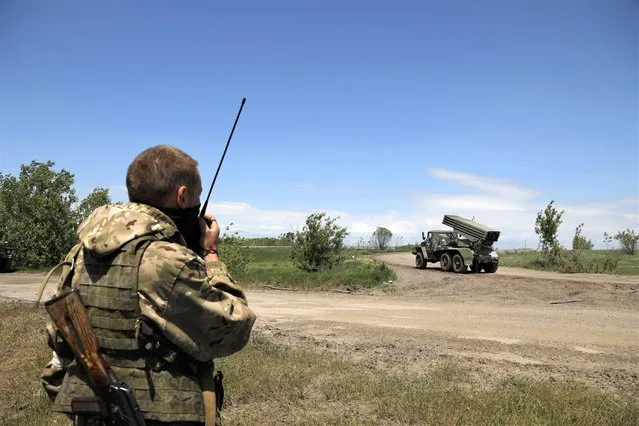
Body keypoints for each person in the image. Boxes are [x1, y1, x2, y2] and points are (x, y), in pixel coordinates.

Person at [39, 145, 257, 426]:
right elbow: (233, 330)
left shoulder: (80, 253)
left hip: (95, 411)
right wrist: (211, 255)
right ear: (182, 196)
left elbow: (61, 339)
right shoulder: (168, 261)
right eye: (198, 196)